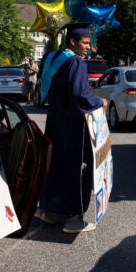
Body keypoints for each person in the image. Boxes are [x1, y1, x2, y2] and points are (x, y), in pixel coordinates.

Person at [36, 22, 107, 233]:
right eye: (85, 42)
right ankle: (74, 218)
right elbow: (79, 96)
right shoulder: (76, 63)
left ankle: (48, 210)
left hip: (55, 121)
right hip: (74, 124)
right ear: (72, 41)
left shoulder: (51, 58)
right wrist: (99, 102)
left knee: (56, 165)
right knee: (79, 167)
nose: (88, 47)